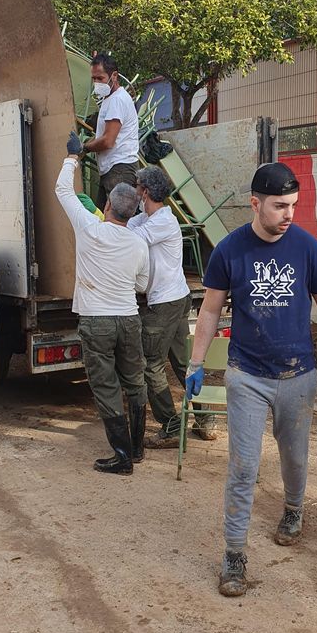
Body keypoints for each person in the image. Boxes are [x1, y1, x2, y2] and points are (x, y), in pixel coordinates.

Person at [186, 162, 317, 598]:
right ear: (255, 203)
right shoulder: (229, 250)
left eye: (293, 206)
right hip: (247, 376)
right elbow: (209, 311)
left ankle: (294, 510)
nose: (288, 215)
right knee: (243, 467)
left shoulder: (306, 247)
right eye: (280, 206)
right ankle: (234, 555)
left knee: (294, 460)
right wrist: (196, 362)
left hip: (298, 377)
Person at [56, 132, 150, 475]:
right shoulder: (139, 244)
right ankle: (137, 449)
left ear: (107, 206)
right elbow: (142, 284)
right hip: (128, 319)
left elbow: (64, 192)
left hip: (97, 321)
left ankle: (122, 457)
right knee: (134, 381)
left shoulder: (90, 228)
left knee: (106, 385)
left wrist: (72, 157)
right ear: (132, 212)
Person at [128, 165, 216, 448]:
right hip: (175, 297)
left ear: (147, 192)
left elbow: (128, 238)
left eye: (138, 187)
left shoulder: (162, 222)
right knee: (181, 362)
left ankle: (170, 424)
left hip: (165, 303)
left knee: (150, 366)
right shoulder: (147, 217)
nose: (135, 192)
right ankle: (204, 418)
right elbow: (130, 226)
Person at [80, 52, 139, 211]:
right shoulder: (110, 99)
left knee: (115, 224)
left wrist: (85, 147)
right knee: (103, 220)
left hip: (120, 169)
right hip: (113, 169)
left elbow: (107, 141)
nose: (97, 83)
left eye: (100, 78)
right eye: (94, 79)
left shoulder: (118, 100)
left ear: (114, 76)